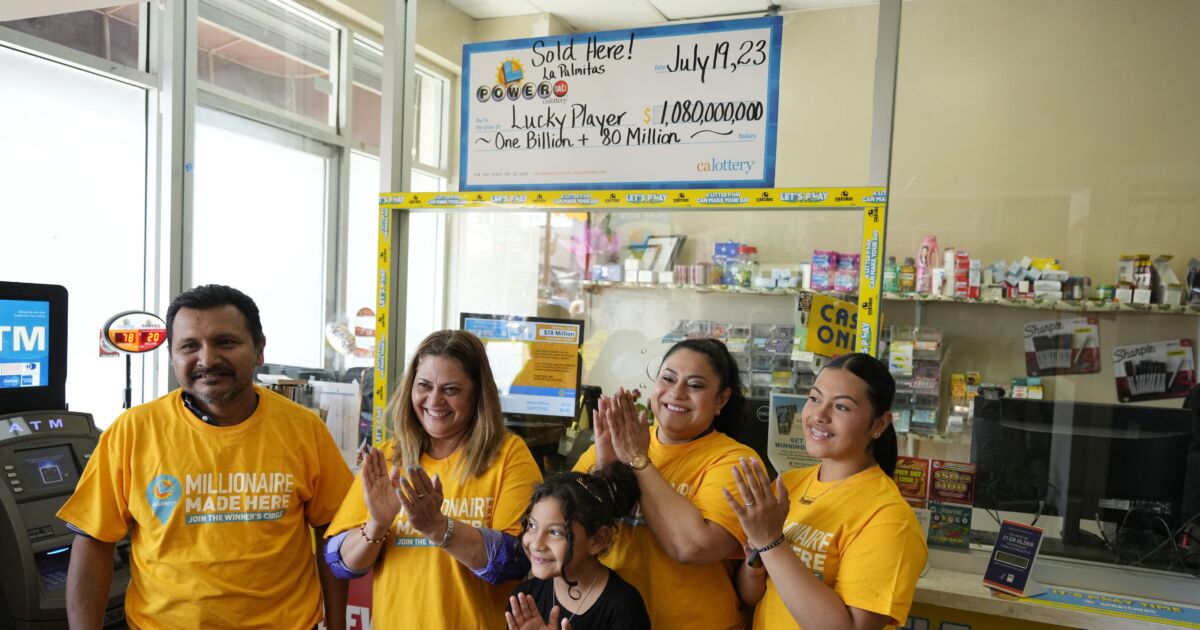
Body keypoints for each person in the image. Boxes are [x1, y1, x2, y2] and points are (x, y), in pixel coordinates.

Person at [57, 284, 354, 629]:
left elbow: (332, 532)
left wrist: (337, 625)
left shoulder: (305, 429)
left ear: (259, 350)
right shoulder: (133, 431)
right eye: (189, 346)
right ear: (173, 356)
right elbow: (93, 541)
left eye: (225, 342)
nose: (208, 359)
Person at [323, 330, 542, 628]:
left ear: (478, 393)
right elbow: (339, 563)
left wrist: (439, 528)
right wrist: (376, 524)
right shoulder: (389, 458)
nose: (434, 400)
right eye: (424, 385)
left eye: (451, 390)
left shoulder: (509, 455)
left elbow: (516, 560)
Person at [724, 352, 927, 630]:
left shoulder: (891, 519)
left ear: (879, 424)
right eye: (815, 398)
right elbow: (752, 595)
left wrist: (771, 542)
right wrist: (756, 557)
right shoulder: (788, 486)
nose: (819, 416)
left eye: (841, 407)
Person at [573, 338, 758, 629]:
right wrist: (606, 467)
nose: (677, 393)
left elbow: (693, 547)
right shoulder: (617, 441)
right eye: (667, 378)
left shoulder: (735, 461)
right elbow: (566, 531)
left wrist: (637, 460)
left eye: (695, 385)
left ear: (721, 399)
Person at [506, 463, 650, 630]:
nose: (537, 544)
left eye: (555, 532)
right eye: (532, 526)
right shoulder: (524, 600)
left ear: (597, 540)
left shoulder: (623, 608)